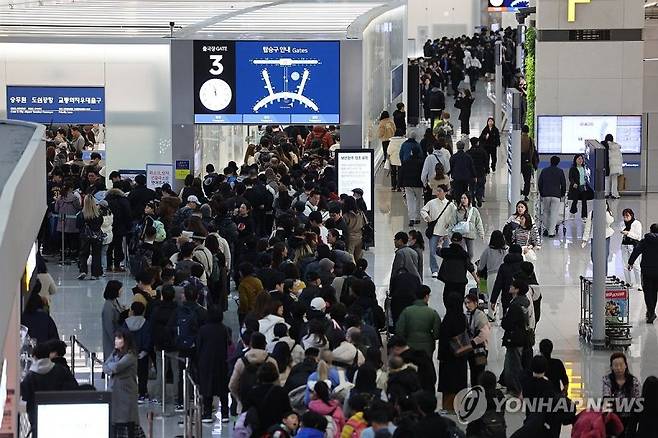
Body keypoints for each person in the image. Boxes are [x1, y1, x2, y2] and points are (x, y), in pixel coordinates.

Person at [21, 342, 78, 428]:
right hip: (59, 413)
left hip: (36, 415)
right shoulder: (61, 370)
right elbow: (73, 388)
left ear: (34, 357)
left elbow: (24, 396)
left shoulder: (30, 376)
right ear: (48, 355)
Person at [103, 329, 141, 437]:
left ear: (126, 340)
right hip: (115, 393)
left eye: (119, 338)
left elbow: (116, 367)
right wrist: (110, 366)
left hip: (126, 394)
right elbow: (104, 367)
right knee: (116, 421)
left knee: (127, 421)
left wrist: (110, 366)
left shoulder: (130, 356)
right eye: (115, 338)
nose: (116, 340)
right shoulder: (115, 353)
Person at [197, 306, 230, 423]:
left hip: (206, 361)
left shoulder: (203, 329)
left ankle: (207, 414)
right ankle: (225, 413)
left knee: (207, 387)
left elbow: (199, 346)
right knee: (223, 388)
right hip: (222, 361)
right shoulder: (225, 329)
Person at [437, 293, 468, 413]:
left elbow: (444, 338)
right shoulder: (462, 317)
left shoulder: (448, 319)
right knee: (459, 380)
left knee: (448, 383)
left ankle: (448, 407)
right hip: (461, 354)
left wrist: (442, 355)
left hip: (449, 356)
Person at [243, 362, 292, 436]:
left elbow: (245, 413)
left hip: (258, 432)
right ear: (275, 375)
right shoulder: (281, 392)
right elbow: (287, 412)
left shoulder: (253, 392)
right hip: (276, 431)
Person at [501, 278, 531, 398]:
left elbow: (507, 323)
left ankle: (516, 390)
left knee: (514, 365)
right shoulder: (525, 302)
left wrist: (505, 320)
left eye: (513, 285)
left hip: (514, 338)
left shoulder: (515, 304)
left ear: (517, 289)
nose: (510, 286)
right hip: (523, 337)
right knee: (516, 363)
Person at [396, 285, 441, 359]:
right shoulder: (432, 313)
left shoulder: (406, 311)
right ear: (426, 296)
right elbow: (437, 334)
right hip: (427, 347)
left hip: (410, 346)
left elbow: (399, 330)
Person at [420, 185, 455, 278]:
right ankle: (434, 270)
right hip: (434, 232)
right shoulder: (431, 203)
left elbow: (455, 216)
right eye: (437, 191)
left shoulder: (450, 205)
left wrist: (450, 223)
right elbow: (423, 210)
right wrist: (427, 218)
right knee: (432, 252)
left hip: (445, 233)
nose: (437, 193)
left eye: (440, 191)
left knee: (446, 253)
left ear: (445, 192)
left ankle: (445, 269)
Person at [602, 352, 641, 436]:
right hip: (614, 414)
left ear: (626, 365)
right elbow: (606, 397)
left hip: (629, 415)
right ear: (611, 367)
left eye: (621, 365)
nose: (619, 368)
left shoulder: (634, 381)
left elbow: (637, 400)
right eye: (615, 365)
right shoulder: (607, 380)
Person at [629, 224, 658, 323]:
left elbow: (636, 251)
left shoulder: (645, 241)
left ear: (650, 230)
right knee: (654, 291)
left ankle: (650, 312)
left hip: (647, 270)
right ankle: (651, 311)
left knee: (648, 292)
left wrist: (630, 262)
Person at [438, 232, 478, 306]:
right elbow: (470, 267)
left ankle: (449, 313)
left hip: (449, 281)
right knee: (459, 302)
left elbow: (438, 251)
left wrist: (440, 243)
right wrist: (476, 278)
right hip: (460, 282)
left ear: (451, 240)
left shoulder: (446, 252)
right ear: (461, 241)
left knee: (447, 299)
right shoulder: (464, 254)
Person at [490, 244, 524, 317]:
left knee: (508, 318)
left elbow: (498, 284)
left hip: (506, 297)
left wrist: (493, 300)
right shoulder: (524, 266)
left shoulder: (503, 266)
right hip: (522, 298)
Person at [464, 293, 491, 386]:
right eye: (465, 303)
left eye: (469, 303)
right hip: (472, 349)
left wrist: (473, 342)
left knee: (479, 372)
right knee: (473, 372)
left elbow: (485, 333)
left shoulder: (480, 315)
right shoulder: (469, 315)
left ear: (475, 303)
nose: (467, 305)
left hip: (481, 350)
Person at [538, 156, 567, 238]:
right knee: (554, 213)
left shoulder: (544, 171)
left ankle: (546, 230)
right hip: (556, 195)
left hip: (546, 194)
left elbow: (540, 183)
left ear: (550, 161)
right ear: (558, 163)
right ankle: (551, 232)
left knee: (546, 212)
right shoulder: (560, 171)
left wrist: (542, 193)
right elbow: (563, 184)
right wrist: (562, 194)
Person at [582, 201, 614, 275]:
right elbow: (588, 226)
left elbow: (609, 221)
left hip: (605, 237)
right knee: (594, 256)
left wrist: (605, 212)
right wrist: (585, 239)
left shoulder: (608, 213)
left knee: (604, 256)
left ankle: (604, 275)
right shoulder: (592, 213)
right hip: (595, 237)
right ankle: (596, 273)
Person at [76, 195, 104, 280]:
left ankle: (83, 271)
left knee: (83, 254)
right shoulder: (98, 214)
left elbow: (78, 226)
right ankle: (95, 274)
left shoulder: (81, 214)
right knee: (96, 254)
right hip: (96, 236)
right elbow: (100, 224)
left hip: (85, 236)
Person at [452, 192, 484, 259]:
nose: (463, 200)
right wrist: (450, 234)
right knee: (462, 252)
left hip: (470, 233)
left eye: (465, 198)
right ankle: (463, 267)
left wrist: (481, 233)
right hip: (461, 234)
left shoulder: (474, 210)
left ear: (469, 199)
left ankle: (468, 265)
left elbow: (478, 222)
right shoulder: (457, 211)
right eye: (462, 198)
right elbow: (453, 222)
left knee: (471, 254)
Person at [478, 230, 507, 301]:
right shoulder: (505, 251)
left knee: (491, 299)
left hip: (491, 276)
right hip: (503, 276)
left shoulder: (487, 250)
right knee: (501, 300)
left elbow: (481, 266)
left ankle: (491, 312)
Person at [399, 147, 425, 227]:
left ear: (411, 153)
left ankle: (411, 219)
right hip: (418, 184)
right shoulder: (421, 162)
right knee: (418, 201)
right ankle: (417, 218)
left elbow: (401, 173)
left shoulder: (406, 161)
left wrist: (400, 184)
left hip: (408, 184)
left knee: (410, 201)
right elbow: (423, 173)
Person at [620, 208, 642, 289]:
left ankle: (639, 283)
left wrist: (628, 233)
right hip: (624, 246)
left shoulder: (637, 223)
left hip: (634, 246)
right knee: (625, 265)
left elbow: (638, 236)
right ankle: (628, 282)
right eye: (624, 216)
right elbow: (622, 233)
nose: (625, 217)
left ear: (631, 215)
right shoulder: (622, 223)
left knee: (636, 265)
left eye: (627, 215)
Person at [466, 136, 489, 207]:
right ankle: (479, 197)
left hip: (471, 173)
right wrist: (487, 169)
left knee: (472, 187)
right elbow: (486, 161)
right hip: (481, 171)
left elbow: (467, 164)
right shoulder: (482, 151)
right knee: (480, 185)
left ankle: (472, 199)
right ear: (477, 143)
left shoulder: (468, 153)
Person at [568, 154, 591, 220]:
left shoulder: (585, 168)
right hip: (576, 187)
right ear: (575, 160)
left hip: (583, 187)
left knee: (584, 201)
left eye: (581, 159)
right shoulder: (573, 168)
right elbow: (570, 177)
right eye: (579, 159)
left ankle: (584, 216)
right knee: (575, 200)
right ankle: (572, 213)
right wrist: (573, 183)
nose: (580, 160)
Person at [602, 133, 624, 199]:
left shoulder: (604, 145)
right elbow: (620, 158)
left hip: (607, 165)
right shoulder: (616, 146)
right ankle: (614, 194)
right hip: (616, 167)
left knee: (607, 179)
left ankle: (606, 193)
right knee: (614, 180)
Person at [520, 125, 537, 201]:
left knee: (517, 177)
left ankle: (517, 191)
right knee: (527, 180)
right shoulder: (530, 140)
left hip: (519, 162)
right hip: (528, 163)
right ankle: (526, 195)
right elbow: (533, 151)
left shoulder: (519, 139)